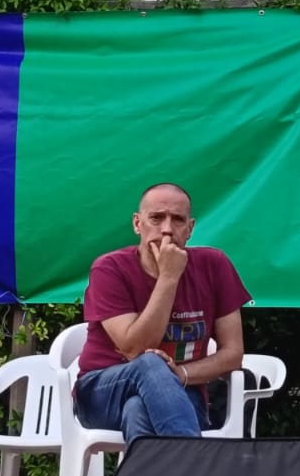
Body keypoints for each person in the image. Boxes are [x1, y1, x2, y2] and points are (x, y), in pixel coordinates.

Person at [75, 183, 251, 444]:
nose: (167, 229)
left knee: (138, 410)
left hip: (181, 393)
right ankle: (197, 463)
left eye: (177, 220)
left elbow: (233, 354)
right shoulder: (109, 269)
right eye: (156, 218)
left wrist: (181, 374)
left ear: (190, 228)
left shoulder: (214, 265)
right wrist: (169, 277)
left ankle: (162, 472)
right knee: (149, 363)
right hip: (102, 392)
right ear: (137, 224)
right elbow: (135, 349)